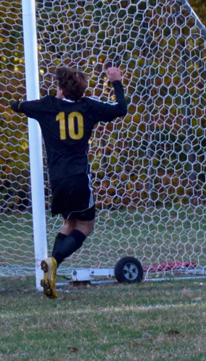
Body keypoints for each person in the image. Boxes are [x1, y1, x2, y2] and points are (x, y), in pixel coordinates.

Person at [10, 65, 128, 298]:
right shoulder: (89, 107)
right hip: (78, 178)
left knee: (69, 223)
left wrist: (25, 105)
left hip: (57, 180)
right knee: (86, 226)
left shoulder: (47, 106)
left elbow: (17, 106)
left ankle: (50, 277)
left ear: (62, 91)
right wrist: (116, 81)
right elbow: (121, 109)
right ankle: (54, 261)